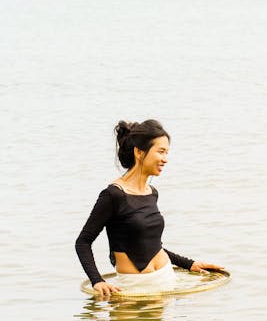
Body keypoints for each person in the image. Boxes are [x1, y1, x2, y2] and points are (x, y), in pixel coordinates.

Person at [75, 120, 222, 298]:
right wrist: (97, 280)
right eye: (161, 151)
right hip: (132, 286)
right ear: (139, 152)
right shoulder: (113, 195)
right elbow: (83, 242)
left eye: (167, 153)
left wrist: (189, 264)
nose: (165, 159)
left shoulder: (152, 193)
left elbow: (152, 246)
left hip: (166, 278)